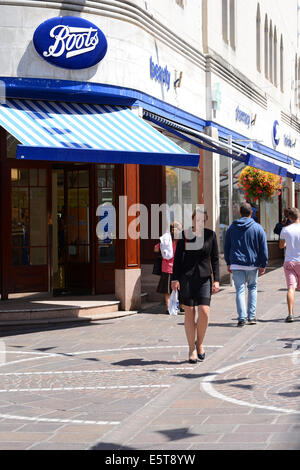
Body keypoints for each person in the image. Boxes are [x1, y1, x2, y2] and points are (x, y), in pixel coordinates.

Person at [171, 208, 219, 364]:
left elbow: (215, 259)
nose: (199, 222)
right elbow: (177, 259)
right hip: (187, 279)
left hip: (204, 279)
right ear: (192, 220)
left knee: (204, 311)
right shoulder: (184, 235)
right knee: (190, 312)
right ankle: (191, 348)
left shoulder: (211, 235)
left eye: (202, 220)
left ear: (205, 220)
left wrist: (217, 279)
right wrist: (174, 278)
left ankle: (200, 343)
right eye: (197, 219)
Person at [224, 202, 268, 327]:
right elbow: (263, 248)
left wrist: (228, 262)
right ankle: (252, 316)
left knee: (240, 290)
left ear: (240, 213)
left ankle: (242, 317)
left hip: (237, 264)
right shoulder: (257, 228)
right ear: (251, 213)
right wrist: (263, 264)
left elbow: (226, 246)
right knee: (252, 288)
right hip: (252, 264)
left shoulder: (232, 227)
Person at [154, 221, 182, 314]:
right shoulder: (180, 241)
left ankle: (168, 308)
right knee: (180, 288)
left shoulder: (166, 240)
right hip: (178, 268)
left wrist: (163, 251)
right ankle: (182, 306)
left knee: (167, 290)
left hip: (166, 268)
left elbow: (155, 248)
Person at [279, 207, 300, 323]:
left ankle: (290, 314)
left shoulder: (285, 230)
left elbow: (281, 246)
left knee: (291, 288)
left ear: (289, 218)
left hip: (290, 262)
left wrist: (288, 242)